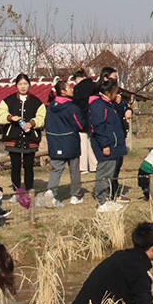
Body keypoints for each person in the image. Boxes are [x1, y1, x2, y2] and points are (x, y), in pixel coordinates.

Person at [0, 73, 45, 197]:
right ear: (16, 86)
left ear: (29, 85)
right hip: (13, 137)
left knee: (29, 166)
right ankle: (17, 191)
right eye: (20, 84)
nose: (23, 87)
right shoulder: (8, 100)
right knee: (15, 166)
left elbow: (42, 117)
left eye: (25, 84)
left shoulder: (36, 101)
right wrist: (10, 117)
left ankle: (29, 190)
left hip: (30, 138)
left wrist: (32, 123)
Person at [44, 78, 85, 206]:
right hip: (70, 142)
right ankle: (75, 195)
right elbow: (80, 125)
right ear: (62, 91)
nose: (72, 90)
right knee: (74, 170)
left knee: (56, 169)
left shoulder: (50, 107)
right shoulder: (71, 107)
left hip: (54, 142)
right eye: (69, 88)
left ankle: (51, 191)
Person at [90, 77, 129, 209]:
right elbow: (99, 126)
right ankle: (102, 201)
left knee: (111, 173)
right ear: (108, 92)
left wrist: (118, 104)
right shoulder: (98, 105)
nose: (117, 94)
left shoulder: (109, 104)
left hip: (115, 144)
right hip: (106, 145)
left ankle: (108, 198)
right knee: (104, 173)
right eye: (115, 92)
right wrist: (105, 145)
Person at [71, 69, 99, 175]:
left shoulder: (78, 88)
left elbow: (75, 103)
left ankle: (83, 167)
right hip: (93, 116)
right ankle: (94, 165)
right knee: (92, 141)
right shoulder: (94, 86)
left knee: (82, 142)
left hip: (82, 117)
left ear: (77, 79)